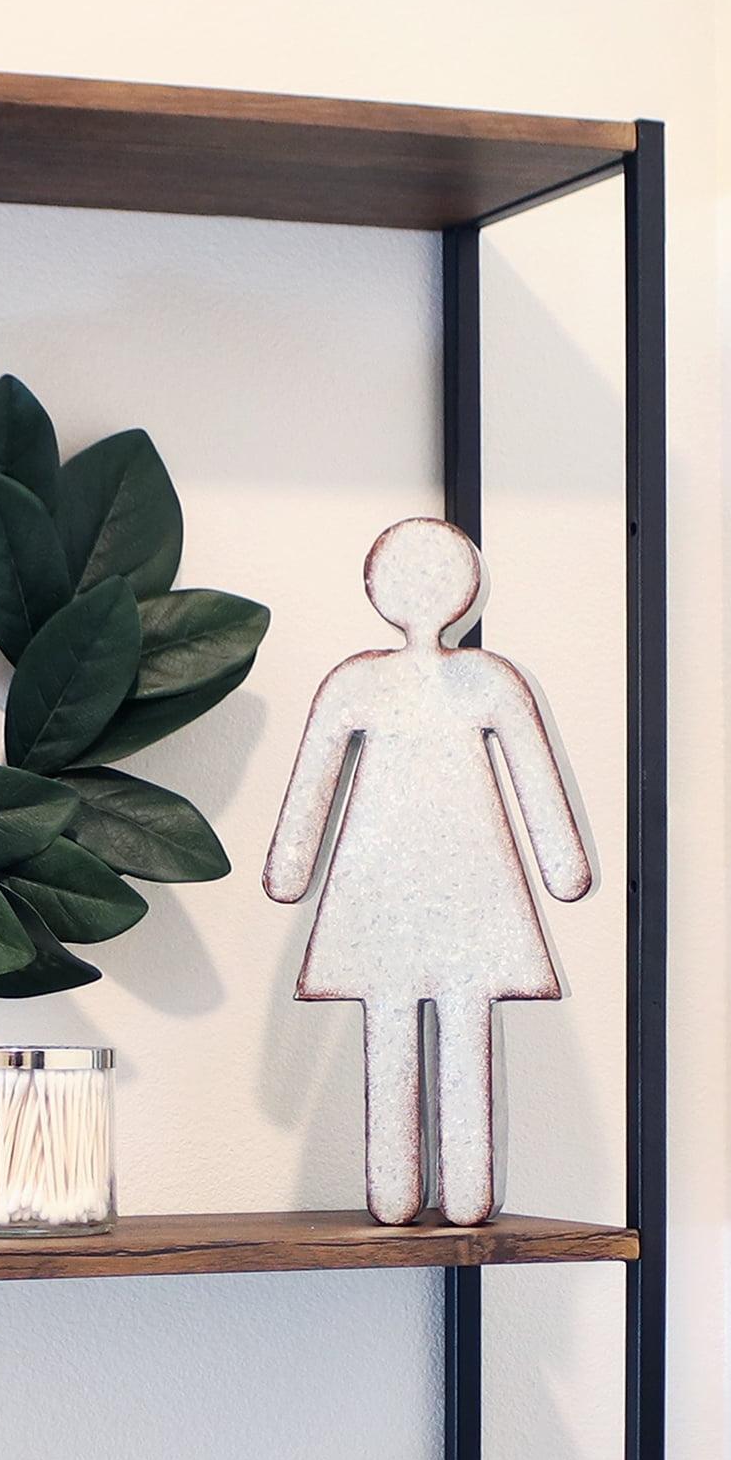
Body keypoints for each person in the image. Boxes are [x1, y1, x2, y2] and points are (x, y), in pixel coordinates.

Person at [263, 519, 594, 1225]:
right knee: (414, 1019)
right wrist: (289, 868)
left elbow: (536, 778)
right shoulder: (400, 681)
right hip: (393, 884)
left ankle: (444, 1190)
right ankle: (410, 1190)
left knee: (444, 1016)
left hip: (447, 883)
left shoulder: (475, 680)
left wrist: (565, 866)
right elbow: (312, 786)